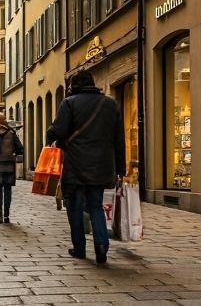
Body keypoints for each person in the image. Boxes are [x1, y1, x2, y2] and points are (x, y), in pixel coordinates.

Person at [46, 70, 125, 264]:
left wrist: (52, 134)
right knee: (96, 206)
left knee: (74, 207)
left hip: (75, 165)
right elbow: (118, 139)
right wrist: (120, 168)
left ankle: (80, 248)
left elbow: (59, 130)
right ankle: (101, 245)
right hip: (102, 165)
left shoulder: (69, 103)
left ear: (73, 86)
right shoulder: (110, 104)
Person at [0, 113, 24, 224]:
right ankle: (6, 216)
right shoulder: (11, 132)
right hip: (9, 164)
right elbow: (20, 149)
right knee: (8, 190)